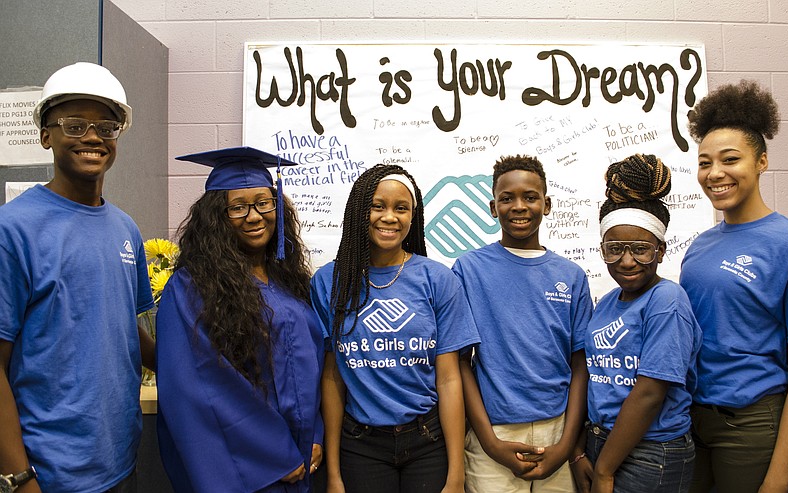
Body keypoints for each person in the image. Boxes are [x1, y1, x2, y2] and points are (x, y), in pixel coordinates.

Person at [0, 62, 155, 493]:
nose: (92, 136)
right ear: (46, 134)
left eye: (106, 126)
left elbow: (122, 327)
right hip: (50, 475)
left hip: (121, 463)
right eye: (75, 124)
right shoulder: (12, 230)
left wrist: (202, 363)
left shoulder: (125, 228)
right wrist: (17, 479)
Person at [680, 81, 788, 493]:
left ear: (762, 161)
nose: (715, 173)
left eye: (731, 159)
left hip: (751, 425)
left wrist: (778, 480)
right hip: (692, 420)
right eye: (704, 162)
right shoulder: (700, 245)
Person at [156, 147, 323, 493]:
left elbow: (313, 366)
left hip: (304, 455)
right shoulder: (191, 288)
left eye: (264, 202)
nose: (254, 216)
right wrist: (277, 455)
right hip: (252, 470)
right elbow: (201, 387)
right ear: (217, 216)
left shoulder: (288, 280)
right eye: (238, 207)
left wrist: (314, 435)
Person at [310, 164, 479, 493]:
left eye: (401, 208)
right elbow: (332, 376)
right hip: (360, 445)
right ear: (360, 211)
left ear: (413, 217)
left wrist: (456, 475)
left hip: (428, 441)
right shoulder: (330, 282)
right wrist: (333, 474)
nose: (390, 217)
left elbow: (448, 378)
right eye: (378, 206)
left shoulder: (438, 279)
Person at [451, 155, 592, 493]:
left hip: (558, 432)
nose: (519, 206)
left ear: (547, 204)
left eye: (530, 197)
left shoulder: (571, 276)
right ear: (492, 206)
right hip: (494, 434)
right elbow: (461, 363)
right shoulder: (468, 270)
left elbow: (580, 365)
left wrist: (567, 445)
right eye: (507, 198)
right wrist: (489, 441)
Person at [583, 154, 702, 493]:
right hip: (604, 442)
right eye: (614, 249)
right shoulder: (607, 303)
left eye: (640, 249)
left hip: (651, 453)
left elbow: (650, 393)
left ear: (661, 250)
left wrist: (605, 470)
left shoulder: (667, 300)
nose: (626, 261)